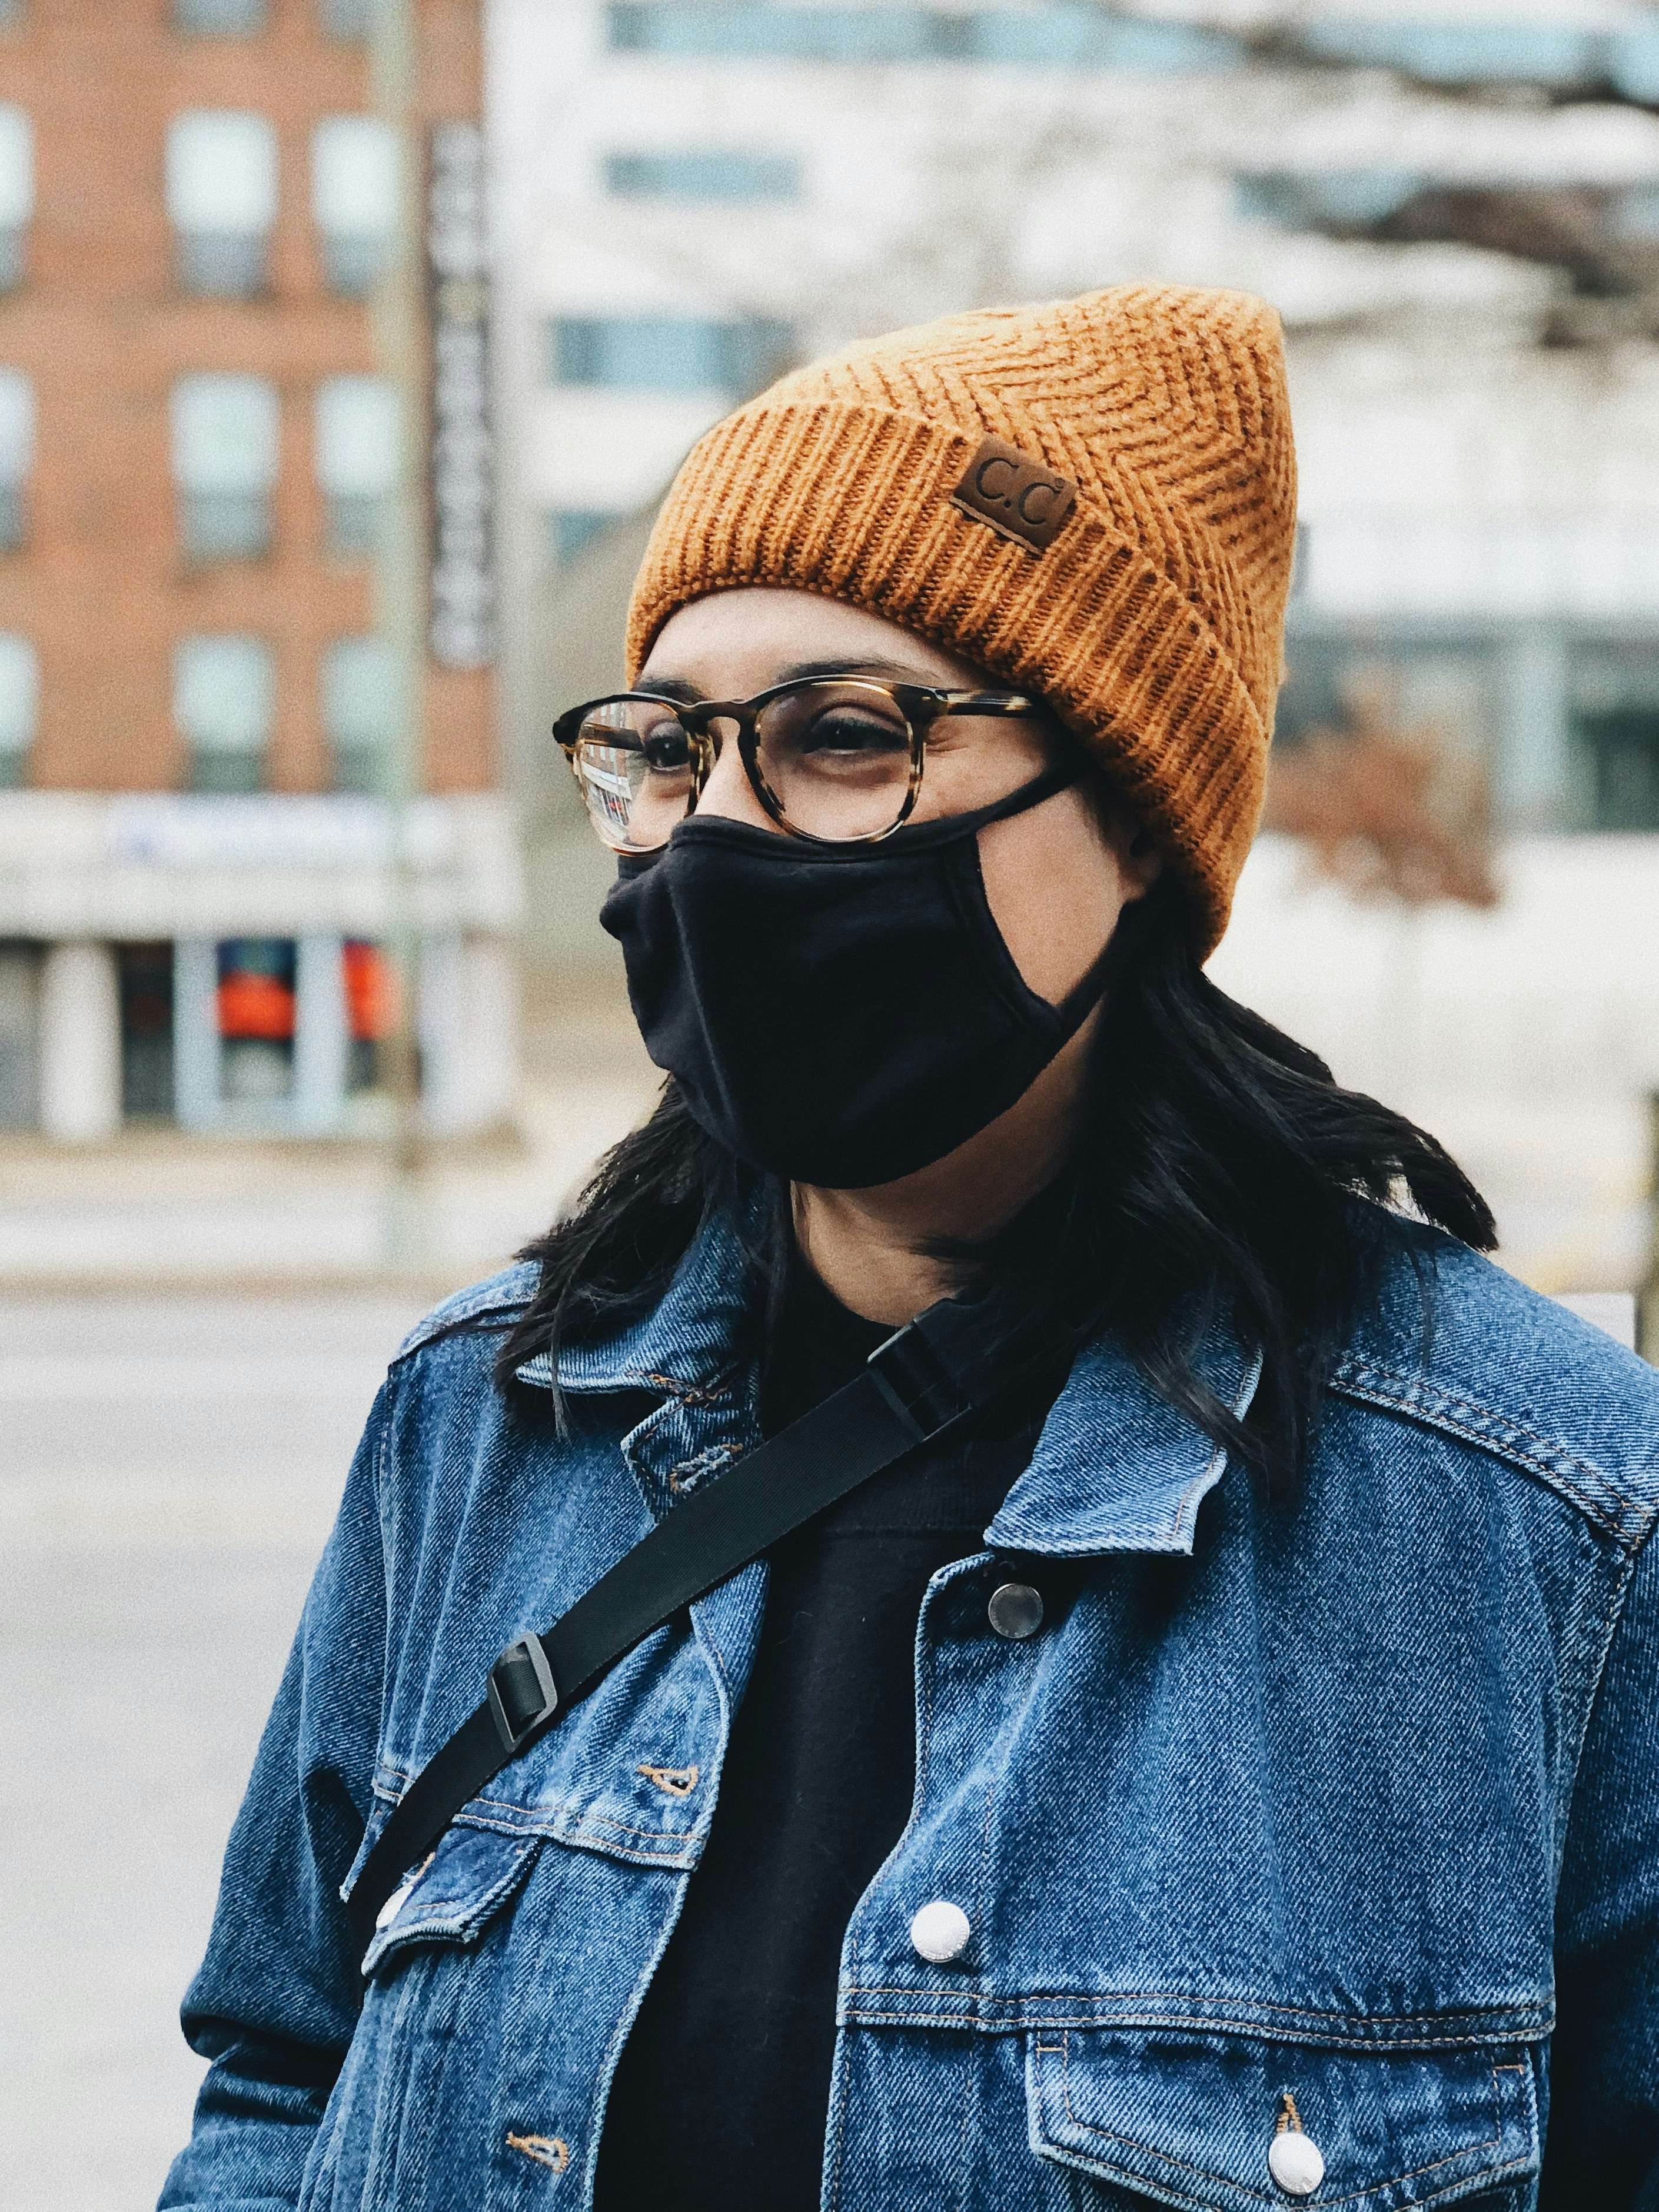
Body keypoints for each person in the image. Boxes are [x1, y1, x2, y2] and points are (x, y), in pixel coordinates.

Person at [161, 287, 1659, 2212]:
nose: (718, 836)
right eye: (665, 749)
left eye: (844, 736)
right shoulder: (483, 1415)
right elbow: (280, 2079)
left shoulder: (1547, 1519)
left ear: (1133, 817)